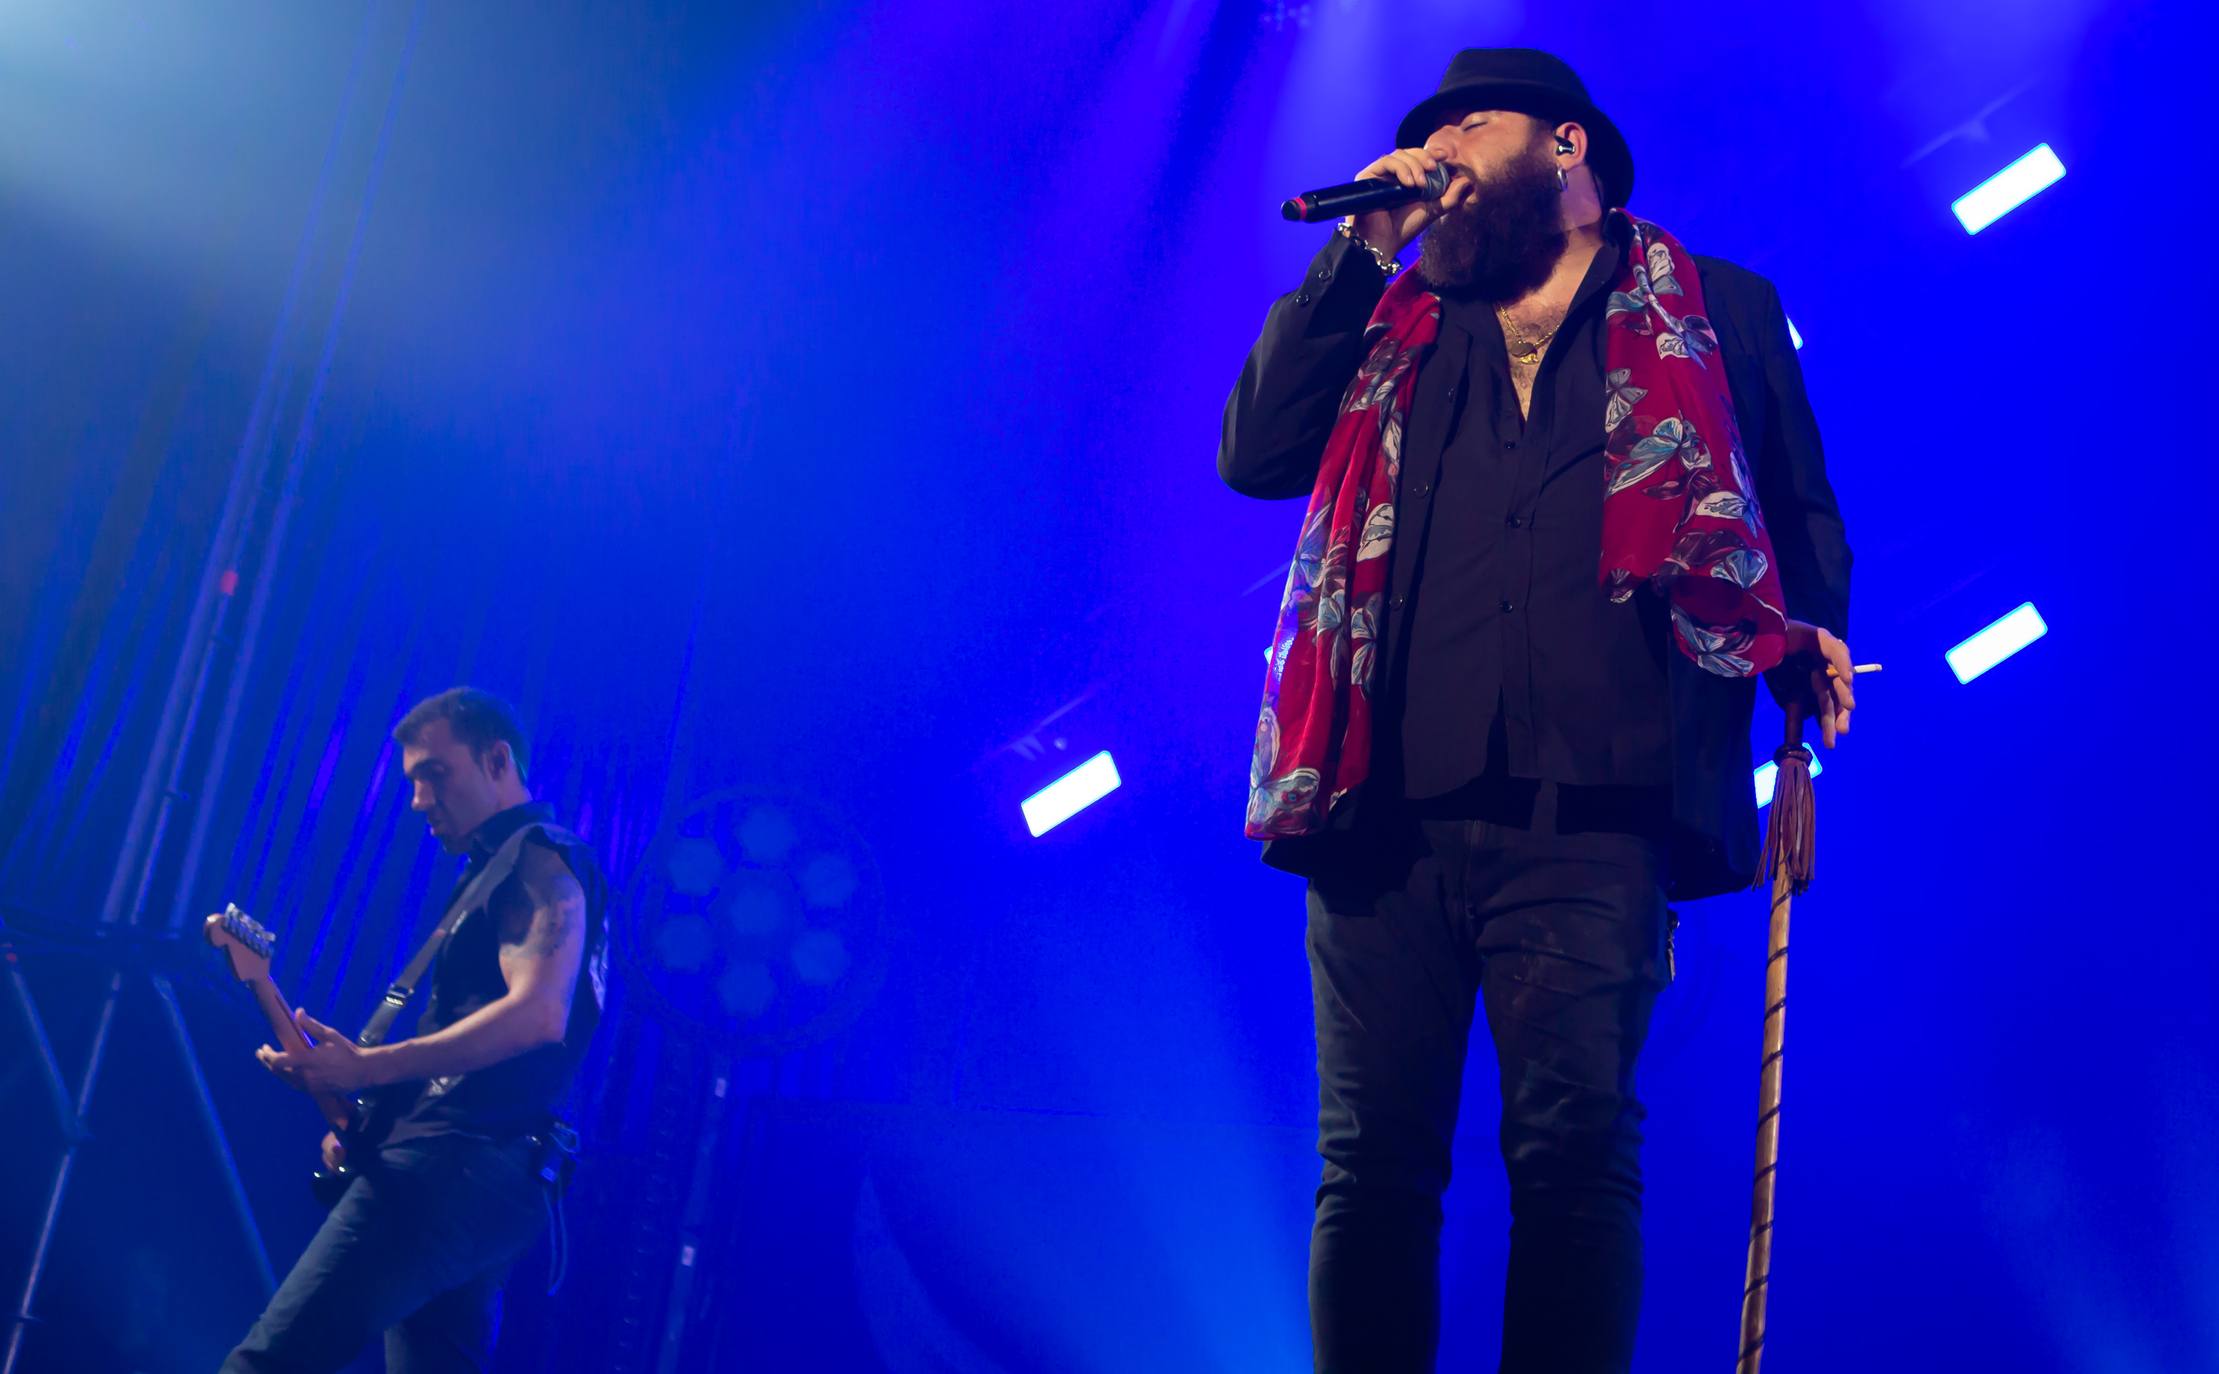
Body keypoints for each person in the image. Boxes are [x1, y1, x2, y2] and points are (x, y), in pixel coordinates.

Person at [1220, 48, 1857, 1374]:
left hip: (1595, 801)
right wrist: (1356, 258)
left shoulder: (1714, 306)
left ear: (1562, 145)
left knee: (1570, 1158)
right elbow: (1254, 456)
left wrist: (1808, 640)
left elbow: (1792, 511)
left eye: (1469, 121)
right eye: (1425, 131)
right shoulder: (1392, 314)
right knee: (1370, 1168)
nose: (1437, 145)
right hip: (1377, 805)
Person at [221, 687, 609, 1373]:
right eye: (411, 782)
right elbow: (475, 1046)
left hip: (453, 1165)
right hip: (491, 1171)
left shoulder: (537, 858)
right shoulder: (499, 869)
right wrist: (375, 1112)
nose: (419, 801)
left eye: (436, 774)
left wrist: (366, 1070)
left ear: (497, 761)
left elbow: (539, 1012)